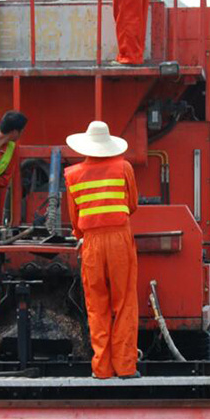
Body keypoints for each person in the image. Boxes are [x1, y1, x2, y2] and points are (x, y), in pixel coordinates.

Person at [64, 121, 140, 379]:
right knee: (125, 302)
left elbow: (74, 219)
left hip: (91, 243)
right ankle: (126, 367)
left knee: (97, 306)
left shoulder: (72, 174)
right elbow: (132, 205)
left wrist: (84, 234)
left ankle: (102, 368)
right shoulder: (124, 167)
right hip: (119, 238)